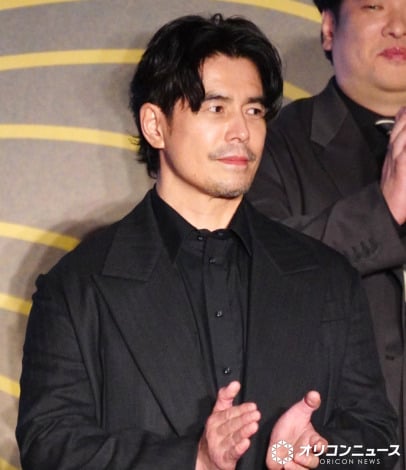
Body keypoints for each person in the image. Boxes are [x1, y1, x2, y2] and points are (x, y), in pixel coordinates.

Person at [16, 13, 397, 470]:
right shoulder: (77, 287)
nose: (242, 132)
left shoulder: (327, 275)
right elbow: (50, 447)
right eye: (216, 108)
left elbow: (380, 444)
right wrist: (191, 460)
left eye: (253, 111)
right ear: (155, 125)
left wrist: (323, 454)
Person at [247, 0, 406, 468]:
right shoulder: (269, 144)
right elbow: (256, 271)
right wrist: (383, 211)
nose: (399, 27)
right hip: (330, 448)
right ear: (330, 28)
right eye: (375, 5)